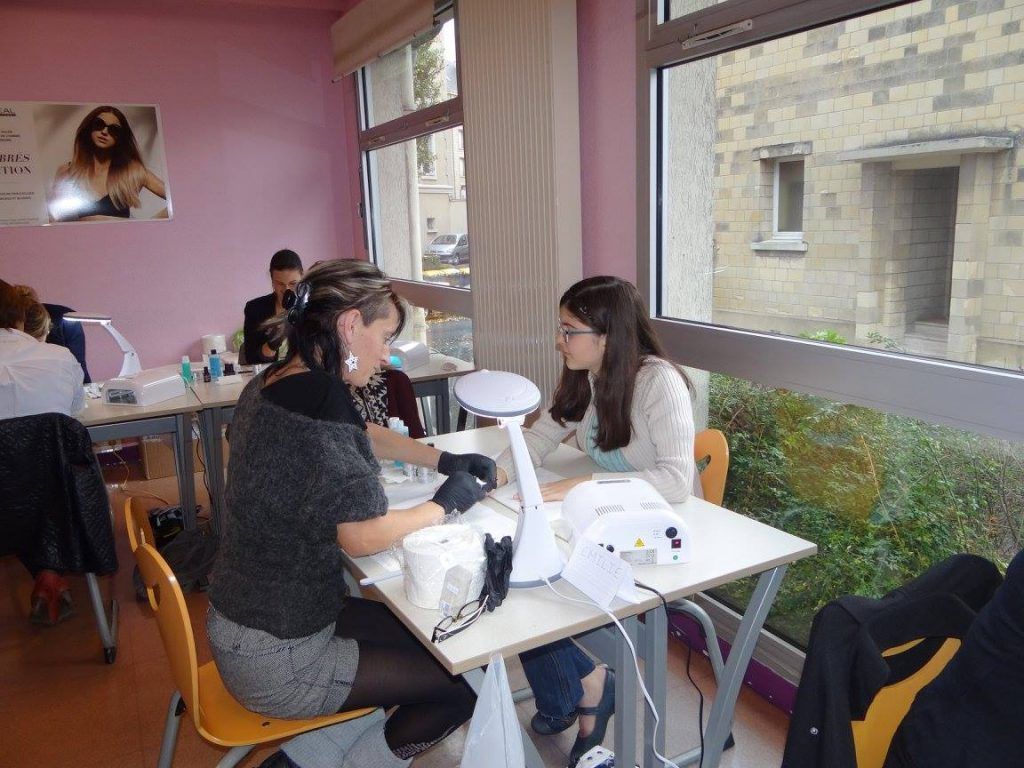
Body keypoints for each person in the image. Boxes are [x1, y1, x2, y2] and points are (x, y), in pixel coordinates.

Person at [208, 259, 499, 768]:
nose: (387, 355)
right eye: (384, 337)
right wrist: (444, 503)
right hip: (280, 655)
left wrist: (444, 460)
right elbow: (362, 537)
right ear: (348, 325)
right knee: (464, 686)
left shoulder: (277, 379)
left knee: (435, 646)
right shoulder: (322, 396)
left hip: (248, 622)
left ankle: (294, 763)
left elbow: (362, 434)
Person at [495, 275, 697, 765]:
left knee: (538, 587)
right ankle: (572, 691)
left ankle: (586, 688)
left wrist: (579, 485)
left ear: (607, 335)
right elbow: (542, 435)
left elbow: (676, 480)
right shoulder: (586, 374)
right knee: (521, 568)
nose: (559, 340)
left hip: (655, 536)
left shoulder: (658, 382)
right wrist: (496, 472)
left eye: (569, 331)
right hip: (602, 522)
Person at [0, 279, 87, 625]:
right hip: (59, 496)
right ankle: (50, 575)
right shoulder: (59, 357)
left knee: (16, 490)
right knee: (44, 483)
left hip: (6, 504)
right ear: (21, 316)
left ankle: (46, 576)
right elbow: (74, 416)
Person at [48, 105, 168, 222]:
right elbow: (53, 219)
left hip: (123, 236)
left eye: (114, 130)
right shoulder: (68, 171)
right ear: (89, 127)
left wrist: (147, 224)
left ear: (121, 137)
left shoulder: (132, 172)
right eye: (99, 124)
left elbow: (177, 198)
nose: (104, 132)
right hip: (83, 236)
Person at [242, 249, 303, 364]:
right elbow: (251, 359)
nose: (286, 290)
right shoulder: (255, 308)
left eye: (293, 283)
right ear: (272, 281)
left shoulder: (312, 307)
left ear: (302, 279)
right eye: (280, 284)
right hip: (272, 373)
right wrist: (272, 344)